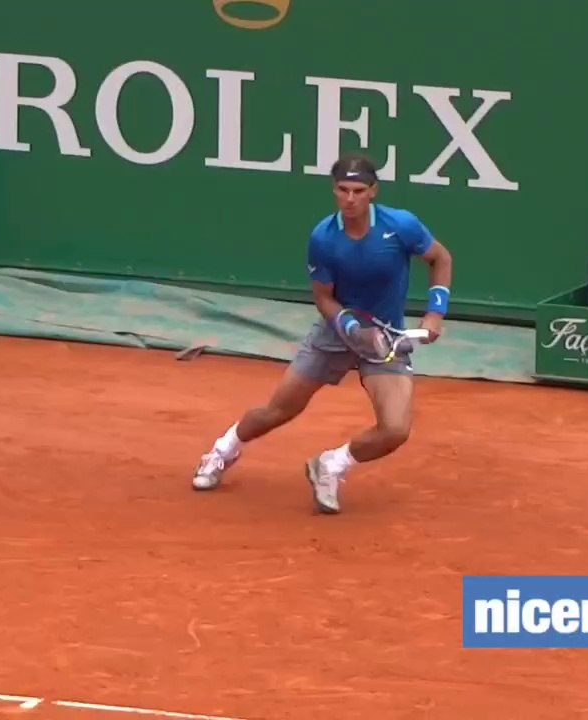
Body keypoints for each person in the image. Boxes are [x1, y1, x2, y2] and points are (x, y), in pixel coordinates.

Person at [191, 153, 454, 514]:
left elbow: (441, 258)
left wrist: (435, 313)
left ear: (373, 191)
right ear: (334, 190)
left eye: (358, 190)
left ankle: (331, 465)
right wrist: (352, 329)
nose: (350, 198)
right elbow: (323, 299)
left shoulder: (401, 226)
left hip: (386, 339)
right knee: (277, 410)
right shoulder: (324, 238)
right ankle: (222, 451)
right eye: (343, 190)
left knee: (395, 430)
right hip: (335, 332)